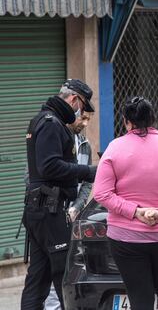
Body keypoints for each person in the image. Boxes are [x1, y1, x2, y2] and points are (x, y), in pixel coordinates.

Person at [93, 96, 158, 310]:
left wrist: (135, 212)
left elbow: (101, 193)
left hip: (126, 238)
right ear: (153, 119)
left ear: (126, 121)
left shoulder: (114, 149)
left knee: (140, 300)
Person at [21, 79, 97, 310]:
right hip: (49, 211)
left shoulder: (46, 121)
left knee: (38, 278)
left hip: (41, 210)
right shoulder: (51, 123)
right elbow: (48, 166)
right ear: (74, 99)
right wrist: (90, 172)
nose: (80, 113)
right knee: (65, 277)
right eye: (82, 107)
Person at [43, 110, 94, 310]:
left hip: (71, 217)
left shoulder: (84, 145)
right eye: (83, 118)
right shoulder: (50, 139)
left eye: (89, 119)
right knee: (50, 270)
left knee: (67, 269)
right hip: (50, 213)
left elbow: (87, 184)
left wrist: (76, 207)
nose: (85, 123)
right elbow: (33, 177)